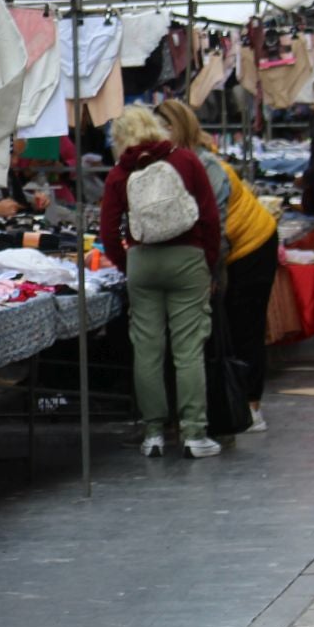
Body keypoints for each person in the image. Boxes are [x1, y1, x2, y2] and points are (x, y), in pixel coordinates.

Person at [99, 106, 223, 459]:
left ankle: (153, 433)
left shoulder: (120, 173)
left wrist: (129, 264)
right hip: (188, 259)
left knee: (147, 349)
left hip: (142, 261)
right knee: (188, 348)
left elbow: (109, 232)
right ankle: (194, 433)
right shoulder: (185, 160)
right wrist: (206, 261)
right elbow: (211, 217)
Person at [156, 99, 283, 432]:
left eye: (166, 126)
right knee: (228, 327)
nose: (159, 134)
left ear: (180, 127)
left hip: (253, 245)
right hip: (225, 249)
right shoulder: (170, 163)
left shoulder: (208, 166)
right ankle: (228, 404)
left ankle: (252, 407)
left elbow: (215, 228)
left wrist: (212, 274)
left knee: (246, 327)